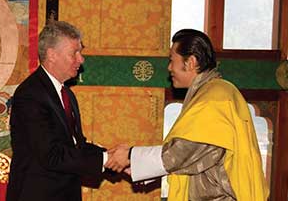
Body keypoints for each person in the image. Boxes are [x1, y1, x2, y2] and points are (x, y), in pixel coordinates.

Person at [105, 29, 269, 201]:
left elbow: (183, 151)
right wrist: (139, 166)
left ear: (190, 62)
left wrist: (131, 155)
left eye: (171, 60)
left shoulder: (215, 99)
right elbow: (197, 159)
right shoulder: (212, 92)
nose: (169, 68)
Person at [6, 21, 108, 201]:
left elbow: (76, 145)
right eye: (74, 53)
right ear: (52, 55)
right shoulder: (30, 95)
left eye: (80, 52)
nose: (81, 59)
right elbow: (52, 155)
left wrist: (113, 157)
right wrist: (106, 159)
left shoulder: (67, 94)